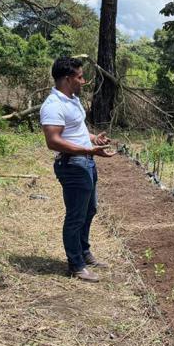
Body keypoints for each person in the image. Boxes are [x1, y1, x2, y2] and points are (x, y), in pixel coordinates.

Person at [40, 56, 115, 282]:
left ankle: (84, 251)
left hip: (85, 162)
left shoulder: (72, 100)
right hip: (72, 164)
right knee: (75, 216)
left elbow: (76, 129)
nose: (84, 81)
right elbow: (53, 140)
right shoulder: (53, 106)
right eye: (80, 77)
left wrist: (93, 139)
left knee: (89, 210)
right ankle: (76, 265)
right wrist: (88, 151)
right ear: (67, 79)